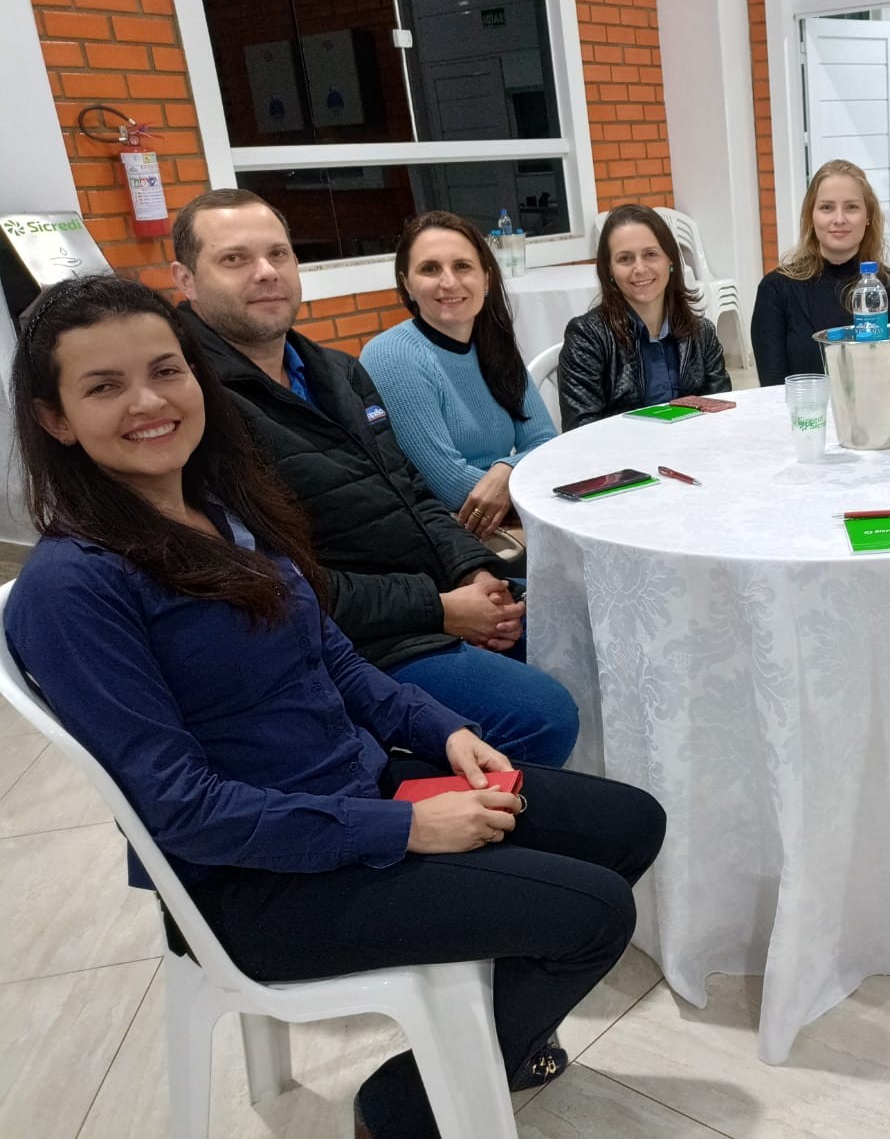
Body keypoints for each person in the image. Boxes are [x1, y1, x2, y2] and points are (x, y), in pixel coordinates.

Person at [3, 275, 666, 1139]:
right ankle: (404, 1104)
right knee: (595, 913)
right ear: (54, 418)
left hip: (357, 788)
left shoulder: (222, 510)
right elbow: (182, 811)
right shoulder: (75, 587)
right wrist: (406, 830)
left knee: (629, 824)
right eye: (103, 386)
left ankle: (483, 1036)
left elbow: (336, 661)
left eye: (166, 370)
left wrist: (446, 730)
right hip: (258, 881)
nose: (148, 401)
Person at [169, 189, 578, 767]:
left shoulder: (335, 369)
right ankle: (470, 828)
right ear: (186, 279)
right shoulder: (195, 405)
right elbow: (280, 585)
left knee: (583, 635)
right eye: (234, 259)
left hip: (428, 589)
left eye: (279, 255)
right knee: (542, 714)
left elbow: (410, 489)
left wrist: (475, 570)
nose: (265, 273)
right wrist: (441, 608)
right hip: (356, 643)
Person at [361, 210, 557, 540]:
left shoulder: (494, 345)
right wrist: (520, 480)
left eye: (462, 266)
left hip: (509, 513)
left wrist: (504, 470)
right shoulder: (392, 355)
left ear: (486, 279)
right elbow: (448, 486)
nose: (449, 282)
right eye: (430, 269)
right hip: (450, 532)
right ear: (407, 283)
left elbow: (546, 444)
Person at [559, 204, 732, 429]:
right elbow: (580, 432)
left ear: (670, 261)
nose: (639, 268)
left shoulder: (702, 333)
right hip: (621, 461)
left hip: (693, 456)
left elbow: (723, 416)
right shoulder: (586, 339)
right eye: (625, 259)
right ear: (609, 270)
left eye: (650, 254)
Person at [751, 159, 890, 386]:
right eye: (826, 207)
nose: (839, 219)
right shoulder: (775, 290)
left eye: (851, 207)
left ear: (868, 216)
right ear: (811, 217)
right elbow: (772, 389)